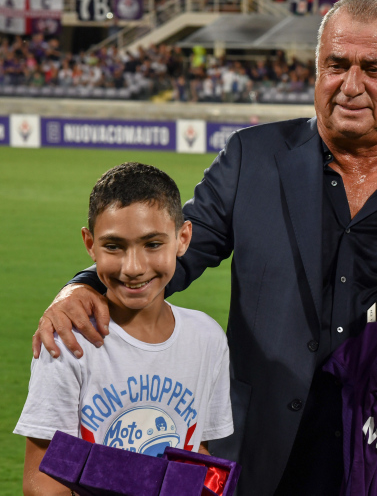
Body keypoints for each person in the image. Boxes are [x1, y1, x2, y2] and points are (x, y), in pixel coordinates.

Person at [33, 0, 377, 496]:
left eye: (375, 69)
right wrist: (82, 288)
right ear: (316, 69)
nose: (351, 85)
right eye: (336, 65)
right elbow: (175, 250)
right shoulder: (251, 157)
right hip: (267, 450)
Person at [16, 162, 233, 495]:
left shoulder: (207, 338)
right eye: (114, 246)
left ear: (183, 238)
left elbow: (196, 450)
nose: (133, 267)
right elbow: (41, 480)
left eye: (153, 244)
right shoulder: (69, 340)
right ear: (90, 244)